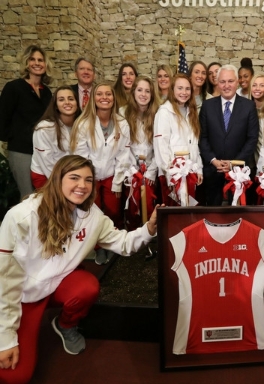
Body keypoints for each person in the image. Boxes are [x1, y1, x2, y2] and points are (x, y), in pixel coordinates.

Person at [0, 155, 158, 384]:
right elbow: (5, 282)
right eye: (74, 178)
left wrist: (148, 229)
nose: (82, 185)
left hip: (56, 285)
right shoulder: (21, 216)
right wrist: (6, 340)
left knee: (87, 287)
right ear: (57, 179)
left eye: (88, 180)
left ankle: (65, 325)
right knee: (15, 375)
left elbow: (122, 243)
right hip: (19, 295)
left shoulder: (92, 215)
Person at [70, 81, 131, 264]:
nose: (104, 98)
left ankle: (114, 243)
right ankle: (97, 247)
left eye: (108, 94)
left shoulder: (121, 123)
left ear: (114, 98)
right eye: (100, 94)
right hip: (90, 177)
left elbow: (124, 153)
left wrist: (117, 180)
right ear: (93, 99)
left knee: (114, 211)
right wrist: (88, 179)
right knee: (91, 212)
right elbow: (81, 156)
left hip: (113, 175)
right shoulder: (83, 123)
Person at [199, 64, 259, 206]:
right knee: (213, 217)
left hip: (240, 171)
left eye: (230, 81)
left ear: (237, 82)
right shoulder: (207, 106)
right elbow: (202, 137)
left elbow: (252, 139)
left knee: (238, 217)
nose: (226, 85)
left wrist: (233, 163)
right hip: (213, 170)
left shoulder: (249, 106)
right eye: (223, 81)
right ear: (217, 83)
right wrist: (213, 160)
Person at [0, 44, 53, 198]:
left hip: (43, 150)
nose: (37, 63)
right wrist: (15, 136)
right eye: (32, 59)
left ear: (45, 64)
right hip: (21, 151)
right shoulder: (14, 88)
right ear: (27, 63)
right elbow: (3, 118)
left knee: (44, 194)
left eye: (40, 60)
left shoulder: (47, 92)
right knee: (28, 195)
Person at [153, 73, 204, 206]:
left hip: (189, 172)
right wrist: (170, 175)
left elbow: (194, 144)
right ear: (172, 90)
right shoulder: (164, 112)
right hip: (172, 174)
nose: (184, 92)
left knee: (189, 211)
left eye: (187, 89)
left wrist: (198, 168)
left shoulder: (191, 112)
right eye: (180, 88)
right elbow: (160, 146)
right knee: (174, 213)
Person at [116, 76, 160, 230]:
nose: (143, 94)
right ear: (133, 92)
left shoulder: (157, 114)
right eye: (140, 90)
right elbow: (123, 146)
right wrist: (133, 170)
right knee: (132, 204)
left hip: (150, 168)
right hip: (130, 168)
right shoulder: (123, 113)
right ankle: (134, 236)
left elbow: (159, 147)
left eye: (147, 91)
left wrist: (151, 172)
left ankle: (149, 233)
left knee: (148, 202)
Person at [30, 87, 79, 190]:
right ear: (55, 105)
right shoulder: (44, 128)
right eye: (61, 99)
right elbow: (46, 162)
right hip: (46, 175)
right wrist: (62, 184)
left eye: (70, 99)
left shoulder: (82, 125)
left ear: (77, 103)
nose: (67, 102)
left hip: (71, 174)